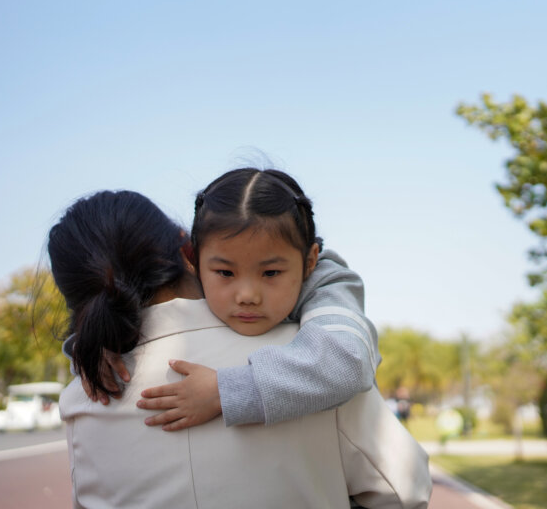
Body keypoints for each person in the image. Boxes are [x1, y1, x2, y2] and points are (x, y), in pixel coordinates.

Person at [52, 189, 432, 507]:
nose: (248, 294)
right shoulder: (309, 361)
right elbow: (405, 491)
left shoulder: (84, 398)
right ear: (187, 251)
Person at [70, 168, 380, 431]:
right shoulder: (203, 283)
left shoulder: (327, 283)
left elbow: (346, 361)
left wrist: (224, 391)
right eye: (225, 273)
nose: (247, 296)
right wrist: (97, 347)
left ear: (310, 261)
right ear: (193, 258)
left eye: (271, 273)